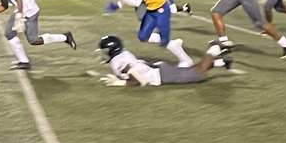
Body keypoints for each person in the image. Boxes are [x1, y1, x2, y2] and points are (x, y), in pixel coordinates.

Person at [108, 0, 194, 67]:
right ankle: (174, 44)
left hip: (160, 7)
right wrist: (119, 3)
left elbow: (137, 2)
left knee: (164, 40)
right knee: (143, 36)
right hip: (152, 8)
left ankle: (185, 59)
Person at [96, 35, 234, 87]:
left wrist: (118, 82)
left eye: (104, 52)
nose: (102, 55)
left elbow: (140, 81)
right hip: (159, 70)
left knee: (199, 73)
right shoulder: (121, 55)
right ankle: (222, 62)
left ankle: (215, 49)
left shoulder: (118, 62)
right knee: (193, 69)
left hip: (162, 74)